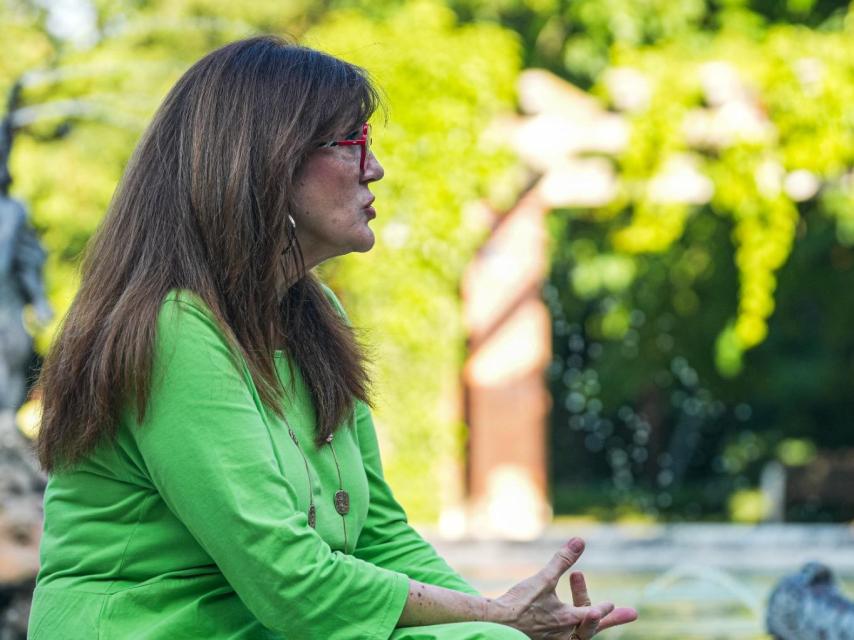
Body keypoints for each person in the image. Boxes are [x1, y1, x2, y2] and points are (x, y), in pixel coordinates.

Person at [28, 36, 637, 639]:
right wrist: (495, 617)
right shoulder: (175, 328)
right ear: (266, 160)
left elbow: (378, 537)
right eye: (352, 142)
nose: (374, 167)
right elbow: (288, 581)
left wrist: (501, 620)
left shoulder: (316, 314)